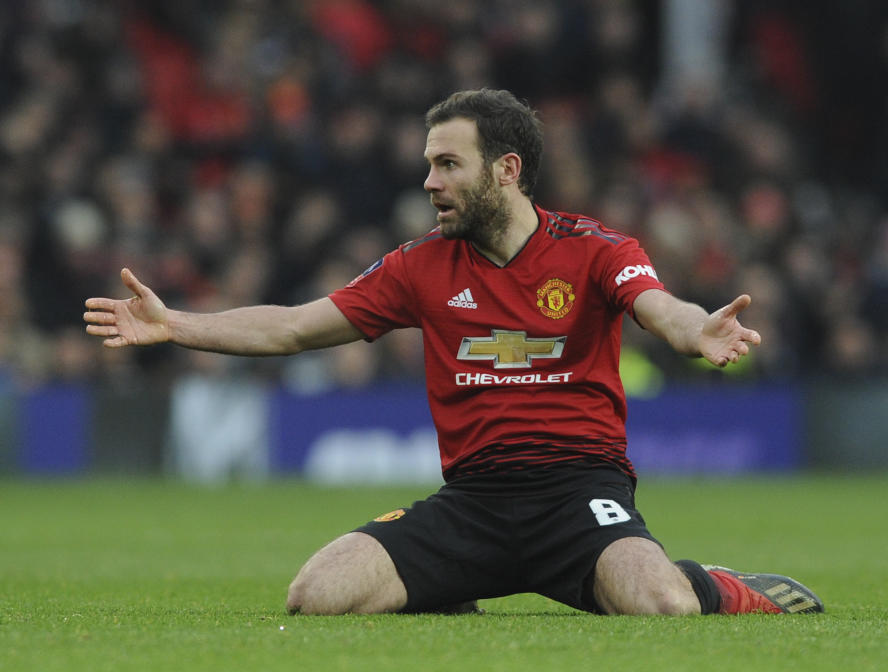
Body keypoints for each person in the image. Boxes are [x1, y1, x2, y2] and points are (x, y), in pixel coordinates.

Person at [84, 89, 823, 617]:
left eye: (447, 164)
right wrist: (177, 325)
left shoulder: (596, 250)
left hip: (578, 494)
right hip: (473, 502)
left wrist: (695, 331)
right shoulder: (419, 266)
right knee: (315, 597)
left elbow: (659, 305)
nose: (430, 182)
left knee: (659, 603)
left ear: (506, 169)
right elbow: (294, 329)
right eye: (429, 165)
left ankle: (722, 585)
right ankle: (450, 584)